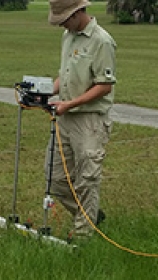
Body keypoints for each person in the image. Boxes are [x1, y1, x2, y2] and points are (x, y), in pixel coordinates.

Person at [46, 0, 117, 240]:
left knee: (86, 179)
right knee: (54, 178)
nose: (61, 25)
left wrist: (70, 104)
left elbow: (104, 86)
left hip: (89, 121)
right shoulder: (68, 36)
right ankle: (90, 217)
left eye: (64, 19)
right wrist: (46, 91)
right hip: (65, 118)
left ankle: (84, 238)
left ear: (77, 13)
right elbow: (65, 74)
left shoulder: (102, 41)